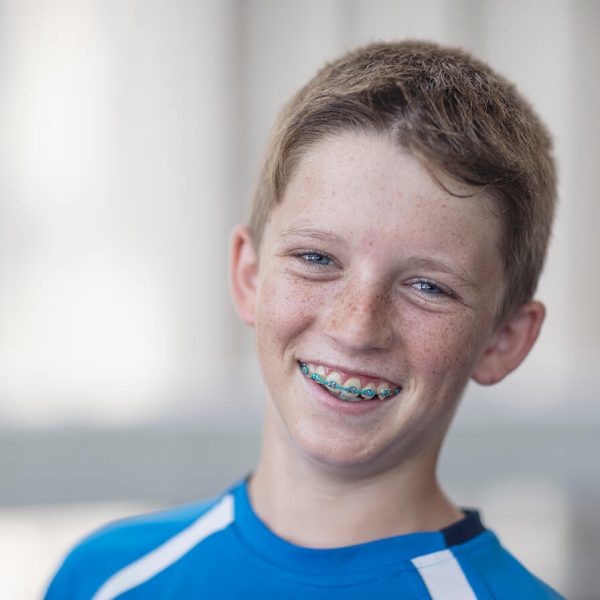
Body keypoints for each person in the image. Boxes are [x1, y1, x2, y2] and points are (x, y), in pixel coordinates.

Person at [45, 40, 564, 599]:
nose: (357, 327)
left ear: (503, 341)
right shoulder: (102, 578)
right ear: (249, 276)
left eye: (427, 287)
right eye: (317, 259)